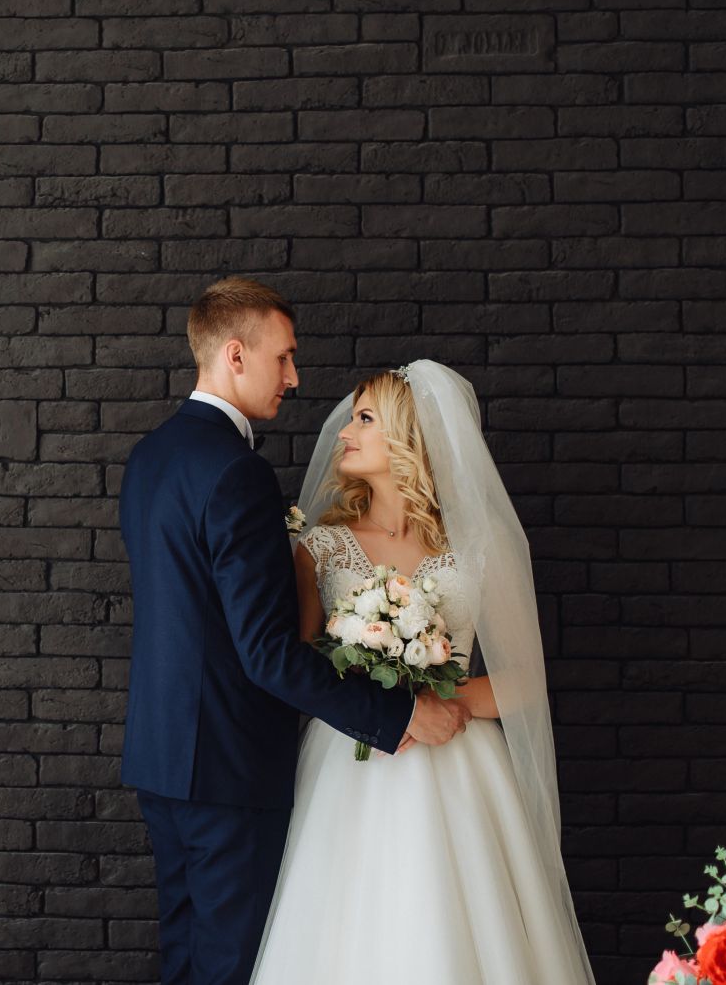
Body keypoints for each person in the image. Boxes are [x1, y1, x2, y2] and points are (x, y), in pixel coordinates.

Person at [118, 278, 470, 985]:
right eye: (283, 357)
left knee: (185, 960)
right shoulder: (237, 473)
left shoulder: (149, 458)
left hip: (159, 758)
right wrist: (397, 714)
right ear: (236, 355)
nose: (295, 377)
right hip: (228, 768)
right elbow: (267, 653)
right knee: (228, 967)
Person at [249, 361, 596, 984]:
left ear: (407, 436)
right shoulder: (320, 546)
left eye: (364, 419)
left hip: (462, 763)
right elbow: (302, 666)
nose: (344, 432)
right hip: (353, 763)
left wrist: (442, 703)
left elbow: (524, 681)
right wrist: (394, 707)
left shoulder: (480, 546)